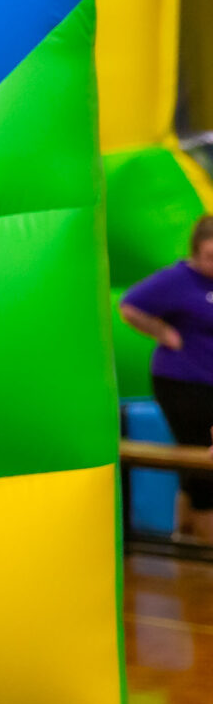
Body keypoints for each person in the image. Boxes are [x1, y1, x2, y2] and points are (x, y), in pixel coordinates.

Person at [120, 215, 213, 542]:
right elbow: (129, 305)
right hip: (182, 382)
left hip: (207, 381)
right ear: (195, 252)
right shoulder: (177, 279)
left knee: (198, 458)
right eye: (209, 256)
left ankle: (185, 533)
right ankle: (204, 540)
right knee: (202, 457)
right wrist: (162, 332)